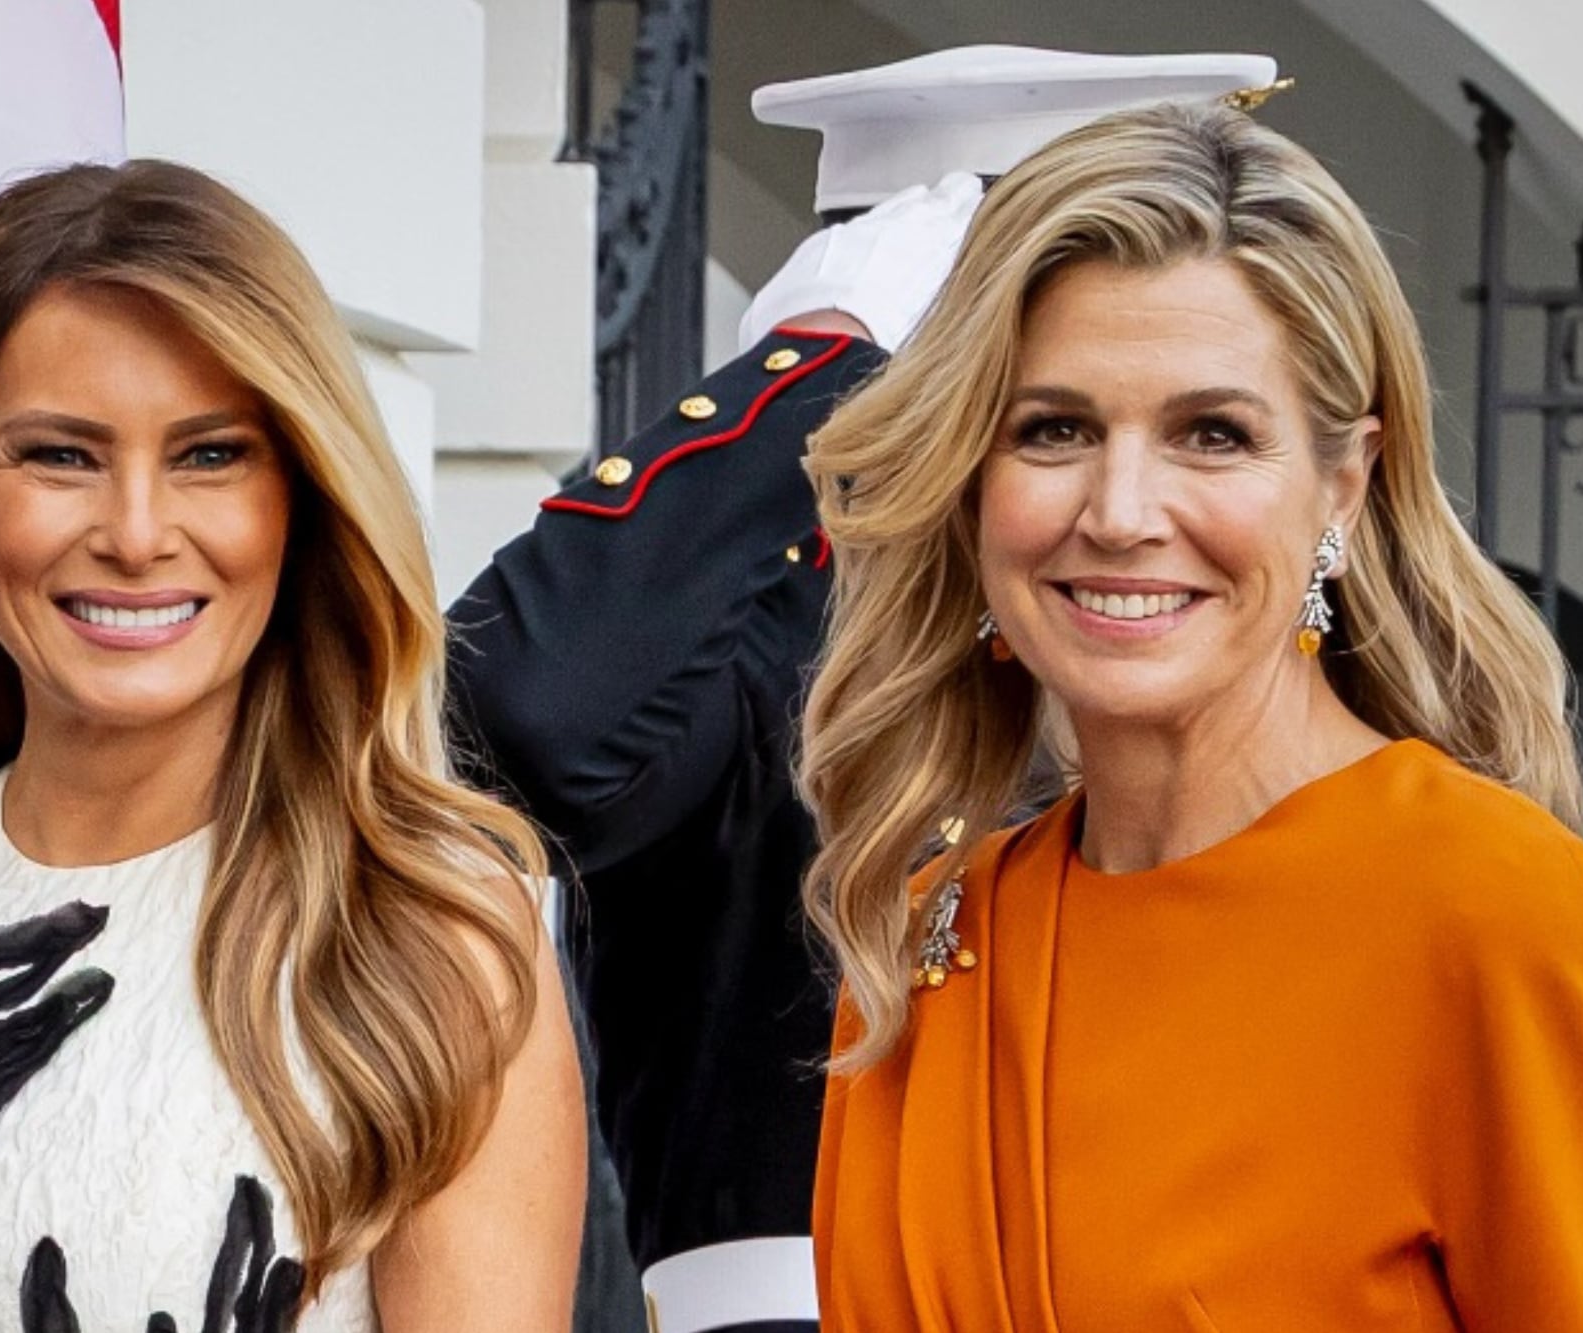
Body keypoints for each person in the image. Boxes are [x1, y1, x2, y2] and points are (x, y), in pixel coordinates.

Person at [802, 101, 1583, 1329]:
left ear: (1342, 484)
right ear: (969, 480)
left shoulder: (1494, 918)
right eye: (1052, 429)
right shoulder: (922, 945)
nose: (1119, 511)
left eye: (1210, 435)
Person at [447, 44, 1278, 1333]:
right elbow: (518, 719)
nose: (1118, 497)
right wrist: (817, 364)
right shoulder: (765, 638)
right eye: (1051, 409)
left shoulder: (1247, 638)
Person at [0, 160, 585, 1333]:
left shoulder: (430, 949)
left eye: (210, 454)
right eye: (61, 454)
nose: (136, 532)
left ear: (299, 492)